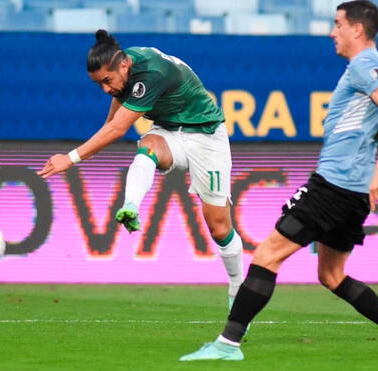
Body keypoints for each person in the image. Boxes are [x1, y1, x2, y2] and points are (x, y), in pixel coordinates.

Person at [179, 0, 378, 362]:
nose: (333, 32)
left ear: (357, 29)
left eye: (338, 24)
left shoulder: (365, 64)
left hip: (334, 186)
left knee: (268, 254)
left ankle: (228, 344)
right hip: (356, 195)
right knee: (332, 275)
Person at [37, 30, 244, 307]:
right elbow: (114, 117)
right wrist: (98, 144)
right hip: (169, 133)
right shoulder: (126, 66)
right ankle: (131, 206)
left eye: (107, 81)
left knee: (219, 228)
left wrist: (72, 157)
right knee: (147, 145)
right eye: (99, 84)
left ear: (123, 66)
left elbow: (117, 127)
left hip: (206, 136)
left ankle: (237, 287)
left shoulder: (152, 72)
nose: (106, 89)